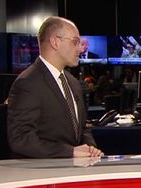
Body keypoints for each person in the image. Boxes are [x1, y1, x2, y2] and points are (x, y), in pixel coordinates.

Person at [7, 16, 104, 158]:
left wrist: (90, 149)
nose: (80, 48)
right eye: (75, 42)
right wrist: (70, 152)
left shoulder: (73, 82)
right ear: (55, 42)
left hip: (75, 167)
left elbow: (83, 128)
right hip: (43, 170)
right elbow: (21, 139)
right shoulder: (28, 83)